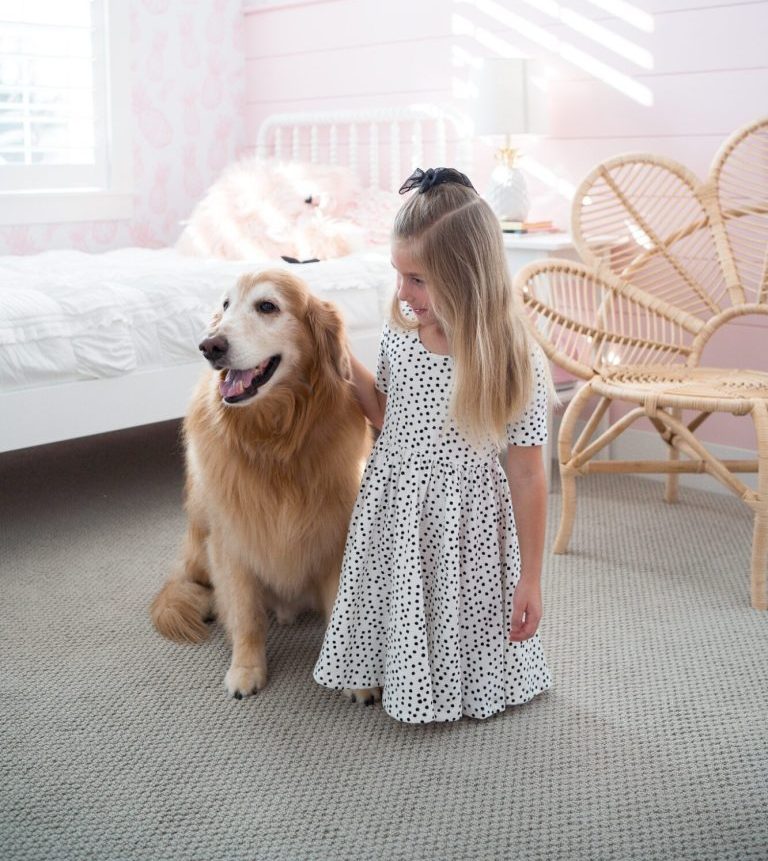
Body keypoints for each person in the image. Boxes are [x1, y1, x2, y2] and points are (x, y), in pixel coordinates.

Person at [312, 167, 554, 724]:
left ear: (466, 277)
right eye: (398, 274)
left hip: (464, 517)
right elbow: (386, 416)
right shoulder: (401, 331)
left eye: (417, 278)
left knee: (456, 609)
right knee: (398, 594)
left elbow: (527, 474)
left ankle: (451, 688)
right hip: (394, 499)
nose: (403, 292)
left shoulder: (513, 359)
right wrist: (339, 352)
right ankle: (400, 675)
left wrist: (532, 577)